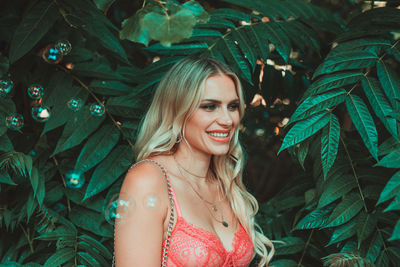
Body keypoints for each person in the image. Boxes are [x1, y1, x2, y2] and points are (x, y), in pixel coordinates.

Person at [113, 56, 274, 266]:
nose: (227, 120)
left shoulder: (224, 182)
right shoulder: (149, 179)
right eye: (210, 106)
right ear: (178, 111)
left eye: (232, 106)